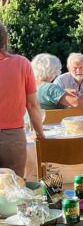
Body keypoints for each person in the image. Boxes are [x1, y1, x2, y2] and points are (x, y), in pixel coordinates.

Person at [0, 22, 45, 177]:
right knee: (14, 186)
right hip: (13, 137)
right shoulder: (21, 63)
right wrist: (40, 133)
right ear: (6, 40)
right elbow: (32, 105)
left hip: (13, 135)